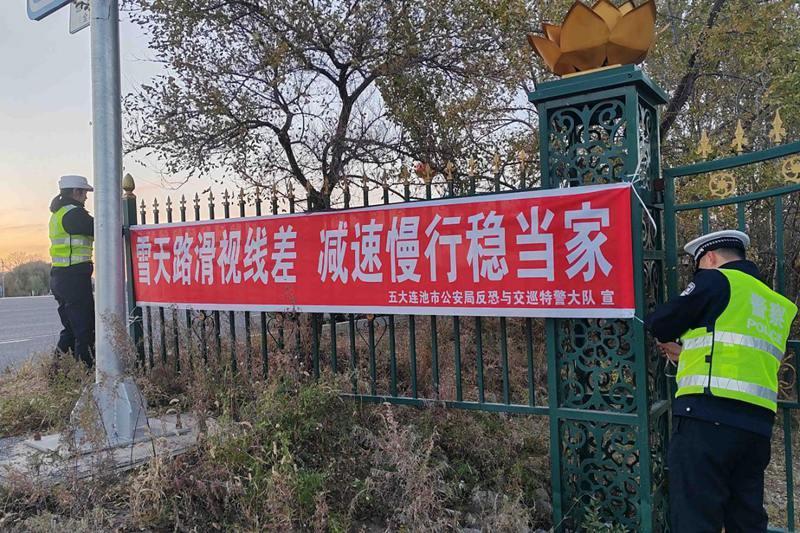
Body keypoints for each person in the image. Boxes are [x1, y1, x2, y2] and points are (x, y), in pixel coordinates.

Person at [645, 230, 797, 532]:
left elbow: (662, 322)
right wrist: (686, 353)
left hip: (707, 419)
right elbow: (740, 354)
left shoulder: (717, 280)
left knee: (696, 517)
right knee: (746, 519)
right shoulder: (777, 304)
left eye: (698, 266)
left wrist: (662, 333)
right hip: (757, 427)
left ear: (711, 257)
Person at [49, 175, 95, 367]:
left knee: (70, 329)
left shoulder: (58, 214)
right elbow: (102, 229)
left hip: (59, 277)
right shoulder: (74, 214)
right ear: (76, 192)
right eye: (84, 192)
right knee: (84, 328)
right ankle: (85, 371)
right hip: (74, 278)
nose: (86, 197)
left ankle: (57, 371)